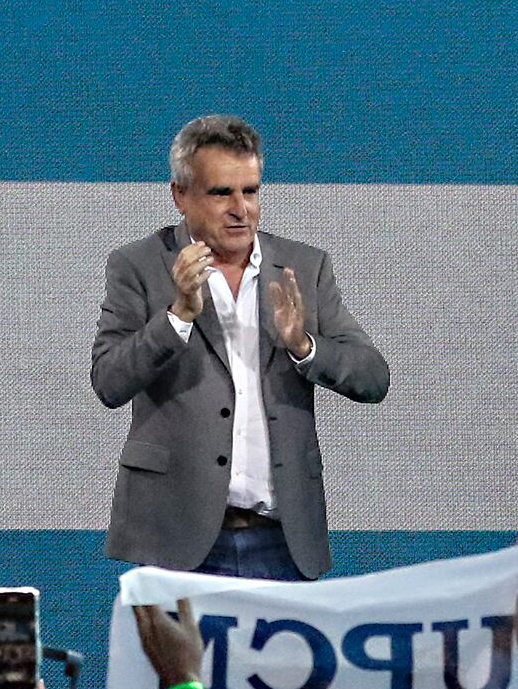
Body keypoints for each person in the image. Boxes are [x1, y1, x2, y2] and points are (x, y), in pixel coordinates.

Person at [91, 114, 389, 580]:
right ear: (180, 196)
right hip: (177, 539)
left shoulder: (303, 268)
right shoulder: (138, 265)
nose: (241, 209)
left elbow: (374, 378)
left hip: (282, 540)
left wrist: (302, 344)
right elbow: (109, 381)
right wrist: (177, 318)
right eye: (221, 193)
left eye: (250, 191)